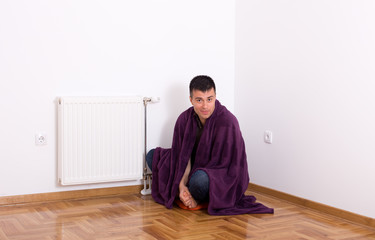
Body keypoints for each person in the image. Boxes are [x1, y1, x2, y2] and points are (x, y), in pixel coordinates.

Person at [146, 75, 273, 215]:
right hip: (190, 169)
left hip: (217, 173)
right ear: (191, 100)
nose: (205, 106)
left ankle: (196, 196)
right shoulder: (184, 119)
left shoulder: (228, 122)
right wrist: (181, 185)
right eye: (199, 100)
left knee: (199, 180)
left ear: (215, 97)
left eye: (209, 99)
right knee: (153, 156)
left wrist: (199, 176)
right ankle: (186, 192)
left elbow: (233, 167)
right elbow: (182, 157)